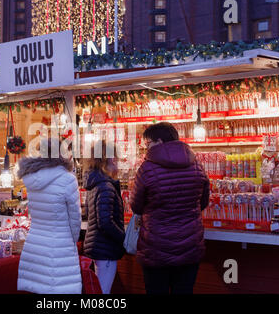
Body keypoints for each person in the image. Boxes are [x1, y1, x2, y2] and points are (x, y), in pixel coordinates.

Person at [130, 122, 210, 295]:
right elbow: (203, 202)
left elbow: (136, 206)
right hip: (190, 245)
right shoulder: (196, 165)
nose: (146, 149)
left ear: (158, 142)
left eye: (148, 144)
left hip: (156, 247)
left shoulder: (147, 168)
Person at [16, 138, 82, 294]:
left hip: (35, 241)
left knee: (38, 288)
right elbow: (75, 219)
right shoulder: (67, 179)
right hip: (60, 243)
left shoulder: (31, 177)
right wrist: (72, 239)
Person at [82, 140, 125, 294]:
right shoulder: (106, 186)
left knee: (97, 290)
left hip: (96, 245)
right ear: (111, 159)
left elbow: (88, 213)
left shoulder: (94, 184)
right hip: (105, 248)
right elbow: (105, 222)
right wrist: (123, 237)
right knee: (102, 292)